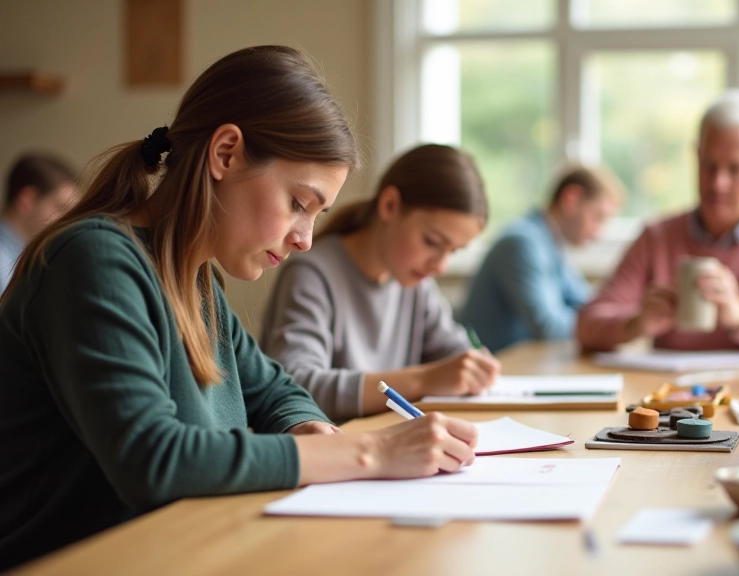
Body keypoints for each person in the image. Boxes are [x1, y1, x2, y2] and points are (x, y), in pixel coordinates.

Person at [0, 46, 478, 571]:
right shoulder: (93, 261)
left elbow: (276, 390)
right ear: (225, 153)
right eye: (299, 204)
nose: (306, 239)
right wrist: (372, 453)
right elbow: (153, 459)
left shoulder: (196, 278)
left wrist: (304, 429)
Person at [576, 89, 739, 351]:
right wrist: (636, 324)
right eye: (708, 164)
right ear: (696, 155)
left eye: (735, 169)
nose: (718, 183)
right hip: (672, 391)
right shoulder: (657, 236)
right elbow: (586, 325)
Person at [261, 144, 501, 423]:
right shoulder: (313, 273)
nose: (441, 265)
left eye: (454, 251)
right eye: (433, 242)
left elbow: (457, 353)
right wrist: (424, 380)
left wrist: (474, 367)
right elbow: (295, 384)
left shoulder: (413, 281)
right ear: (389, 206)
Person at [460, 164, 623, 352]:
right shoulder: (522, 243)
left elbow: (588, 304)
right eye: (598, 217)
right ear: (572, 199)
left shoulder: (550, 244)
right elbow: (549, 328)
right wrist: (613, 329)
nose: (598, 234)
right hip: (498, 367)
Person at [0, 153, 79, 291]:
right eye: (60, 207)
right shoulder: (4, 260)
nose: (68, 220)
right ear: (27, 200)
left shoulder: (25, 257)